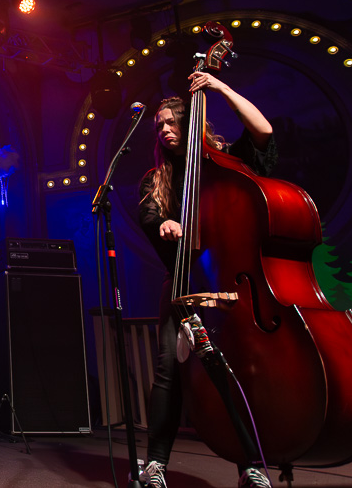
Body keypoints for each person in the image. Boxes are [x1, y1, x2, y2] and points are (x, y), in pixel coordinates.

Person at [137, 71, 276, 488]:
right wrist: (164, 223)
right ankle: (155, 465)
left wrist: (222, 88)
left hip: (229, 285)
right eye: (158, 125)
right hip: (181, 284)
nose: (163, 130)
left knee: (232, 373)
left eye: (170, 122)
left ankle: (251, 466)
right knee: (167, 372)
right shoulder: (154, 181)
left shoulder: (227, 163)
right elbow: (150, 219)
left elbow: (264, 131)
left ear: (190, 123)